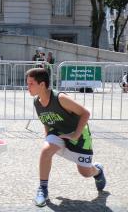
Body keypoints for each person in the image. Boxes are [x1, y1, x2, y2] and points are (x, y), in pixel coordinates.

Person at [25, 68, 106, 207]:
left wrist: (75, 134)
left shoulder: (60, 98)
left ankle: (98, 171)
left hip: (78, 134)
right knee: (45, 151)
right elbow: (46, 121)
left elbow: (85, 113)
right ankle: (42, 189)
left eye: (31, 83)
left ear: (42, 84)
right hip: (58, 133)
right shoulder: (37, 102)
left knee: (85, 172)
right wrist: (48, 140)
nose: (28, 87)